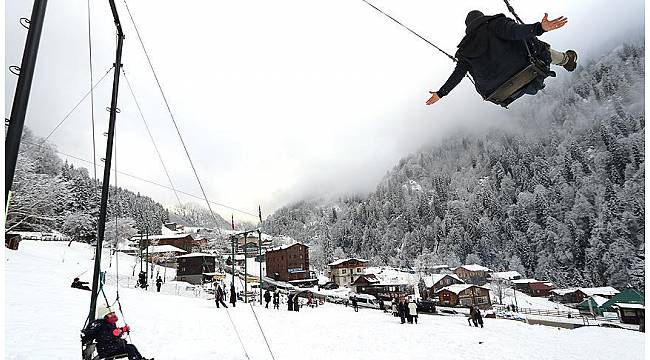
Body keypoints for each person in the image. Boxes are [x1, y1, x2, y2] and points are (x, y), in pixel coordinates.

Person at [426, 10, 577, 106]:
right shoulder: (494, 24)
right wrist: (540, 28)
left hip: (499, 92)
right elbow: (516, 31)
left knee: (530, 49)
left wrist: (441, 93)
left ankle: (564, 61)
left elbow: (457, 75)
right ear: (483, 17)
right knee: (537, 46)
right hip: (527, 68)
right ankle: (566, 60)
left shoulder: (464, 51)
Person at [82, 304, 153, 360]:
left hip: (113, 347)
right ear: (103, 315)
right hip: (106, 350)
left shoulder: (111, 323)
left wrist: (122, 330)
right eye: (110, 314)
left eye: (113, 313)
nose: (113, 315)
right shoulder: (100, 324)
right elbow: (104, 335)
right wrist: (116, 332)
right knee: (130, 349)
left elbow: (114, 333)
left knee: (132, 346)